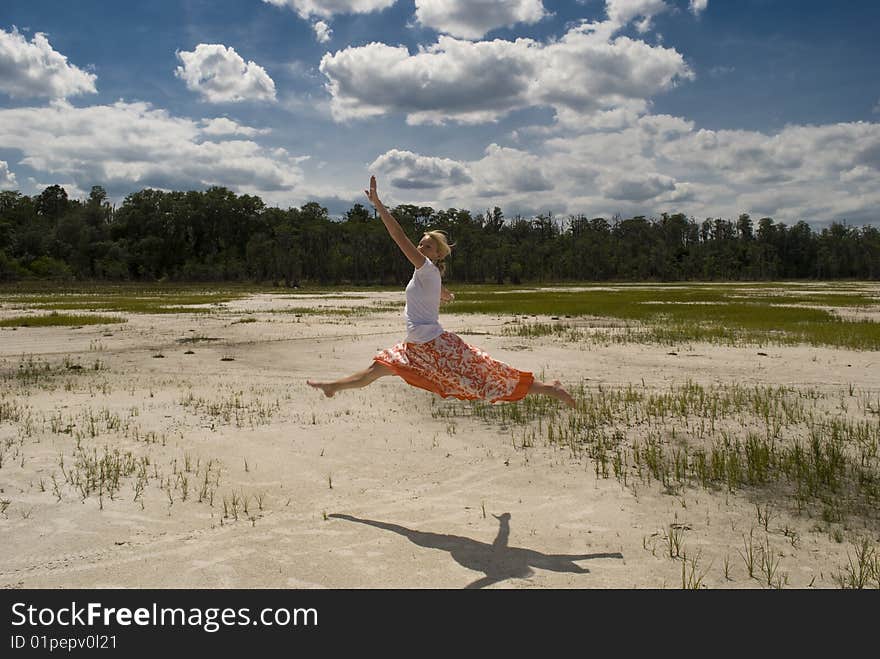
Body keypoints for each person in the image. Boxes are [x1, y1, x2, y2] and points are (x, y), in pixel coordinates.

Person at [307, 176, 576, 408]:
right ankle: (333, 386)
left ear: (436, 255)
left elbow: (398, 235)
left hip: (434, 345)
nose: (420, 249)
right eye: (420, 245)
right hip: (415, 346)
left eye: (426, 247)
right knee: (375, 369)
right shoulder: (429, 273)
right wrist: (443, 294)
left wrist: (378, 206)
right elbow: (434, 285)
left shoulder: (425, 268)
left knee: (486, 379)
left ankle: (549, 388)